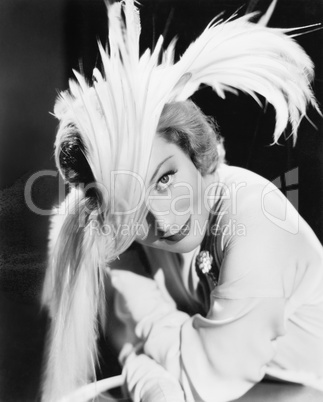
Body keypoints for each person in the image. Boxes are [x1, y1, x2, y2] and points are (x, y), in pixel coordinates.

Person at [41, 1, 323, 401]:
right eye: (131, 203)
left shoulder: (257, 221)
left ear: (194, 152)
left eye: (166, 178)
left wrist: (146, 354)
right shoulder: (122, 234)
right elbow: (128, 347)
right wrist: (147, 371)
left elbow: (204, 383)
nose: (163, 218)